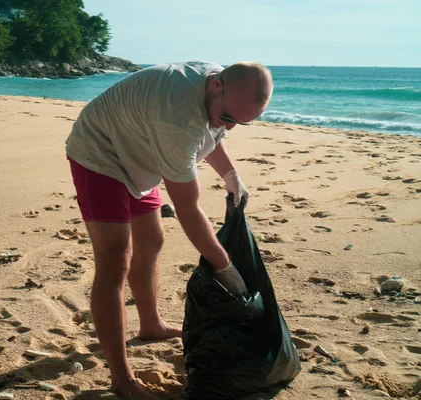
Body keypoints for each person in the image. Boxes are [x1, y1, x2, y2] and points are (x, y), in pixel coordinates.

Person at [65, 61, 273, 399]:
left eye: (241, 123)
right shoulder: (176, 120)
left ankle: (151, 326)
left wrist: (231, 175)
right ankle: (122, 378)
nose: (229, 128)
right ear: (217, 86)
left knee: (153, 239)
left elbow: (212, 131)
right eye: (230, 118)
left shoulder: (216, 88)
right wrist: (224, 266)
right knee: (115, 256)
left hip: (142, 149)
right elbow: (188, 209)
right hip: (100, 154)